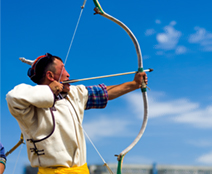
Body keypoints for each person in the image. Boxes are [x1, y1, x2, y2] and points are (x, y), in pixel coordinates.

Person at [6, 53, 147, 173]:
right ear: (50, 75)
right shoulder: (29, 104)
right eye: (63, 69)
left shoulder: (73, 93)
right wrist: (49, 91)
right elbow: (13, 97)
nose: (68, 74)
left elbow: (104, 93)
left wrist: (134, 84)